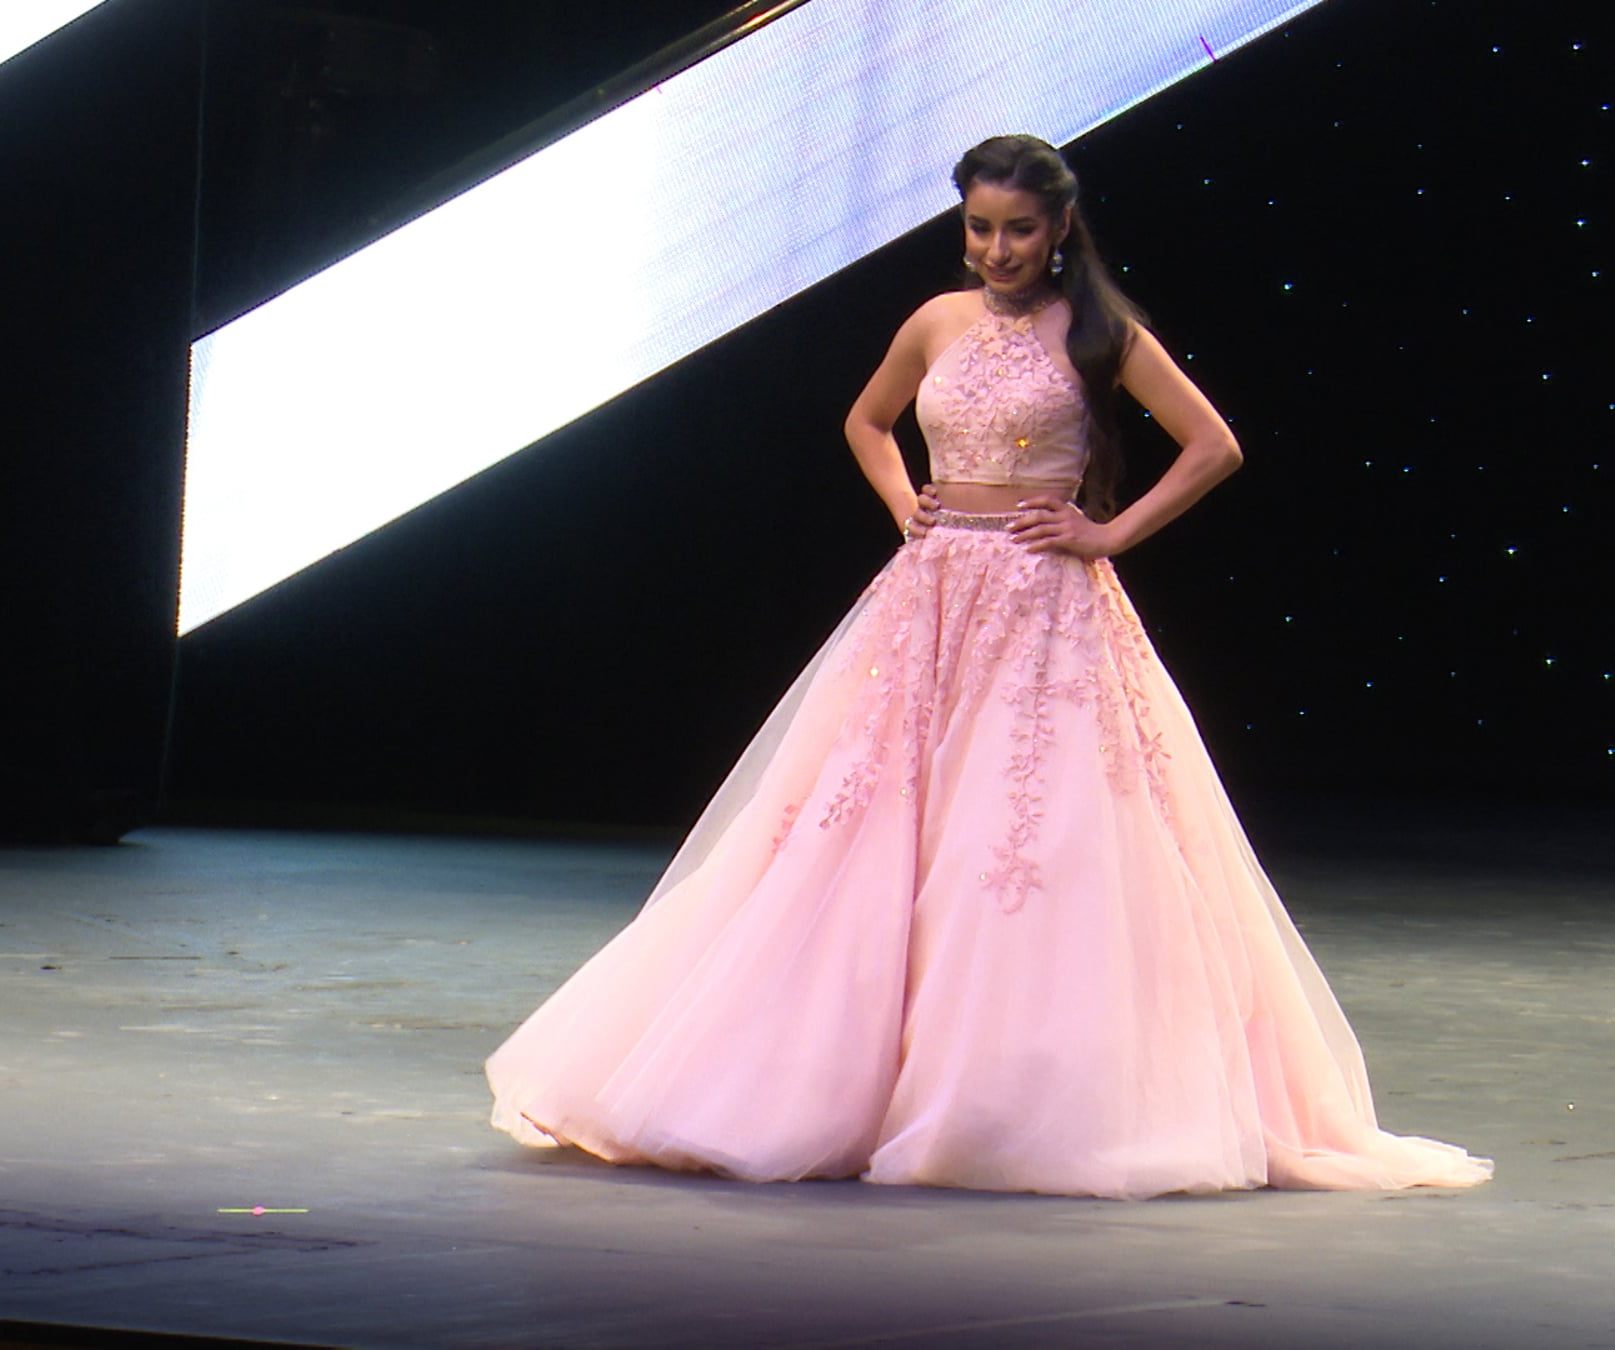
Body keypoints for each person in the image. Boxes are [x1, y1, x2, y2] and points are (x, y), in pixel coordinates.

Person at [483, 134, 1492, 1199]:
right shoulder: (935, 320)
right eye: (980, 227)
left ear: (1060, 229)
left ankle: (999, 1097)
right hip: (928, 600)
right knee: (860, 829)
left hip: (1044, 606)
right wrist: (902, 503)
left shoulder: (1100, 331)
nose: (997, 249)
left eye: (1019, 229)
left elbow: (1214, 444)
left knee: (1011, 840)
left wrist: (1108, 533)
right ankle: (830, 1083)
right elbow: (868, 421)